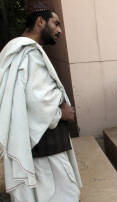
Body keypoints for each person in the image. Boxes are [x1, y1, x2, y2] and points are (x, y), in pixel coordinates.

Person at [0, 0, 82, 201]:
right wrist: (60, 113)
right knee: (63, 193)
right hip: (46, 144)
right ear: (40, 22)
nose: (60, 30)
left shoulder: (14, 51)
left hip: (38, 142)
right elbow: (36, 100)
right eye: (56, 23)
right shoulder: (28, 53)